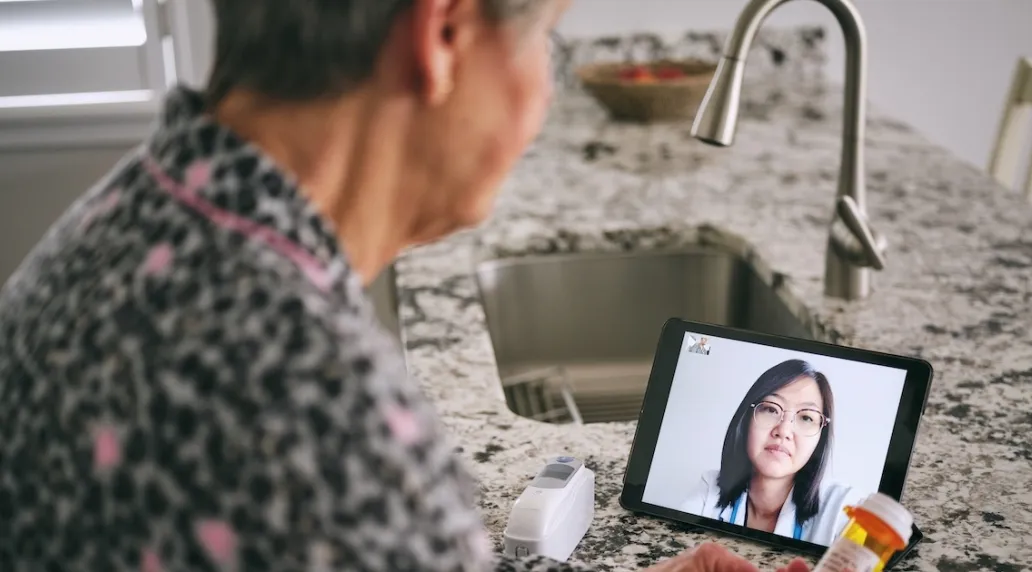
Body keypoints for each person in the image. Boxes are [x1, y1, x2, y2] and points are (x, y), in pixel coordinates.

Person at [0, 0, 814, 571]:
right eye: (546, 41)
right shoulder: (317, 404)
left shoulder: (122, 219)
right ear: (443, 33)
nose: (544, 92)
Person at [682, 360, 864, 547]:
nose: (784, 431)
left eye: (806, 417)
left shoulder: (845, 510)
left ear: (820, 438)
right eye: (771, 409)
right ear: (745, 421)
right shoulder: (710, 489)